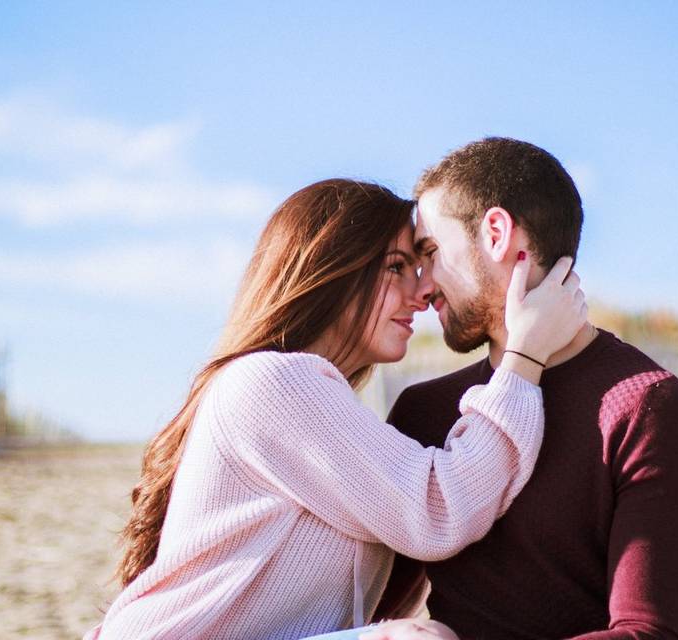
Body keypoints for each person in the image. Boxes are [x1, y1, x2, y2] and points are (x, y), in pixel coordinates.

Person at [83, 178, 589, 640]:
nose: (423, 290)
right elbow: (438, 509)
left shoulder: (308, 395)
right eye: (396, 267)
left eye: (420, 266)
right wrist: (524, 357)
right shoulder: (275, 382)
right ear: (332, 270)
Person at [372, 138, 678, 640]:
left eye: (429, 252)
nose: (422, 287)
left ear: (495, 232)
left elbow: (653, 634)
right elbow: (364, 607)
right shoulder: (423, 411)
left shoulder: (649, 410)